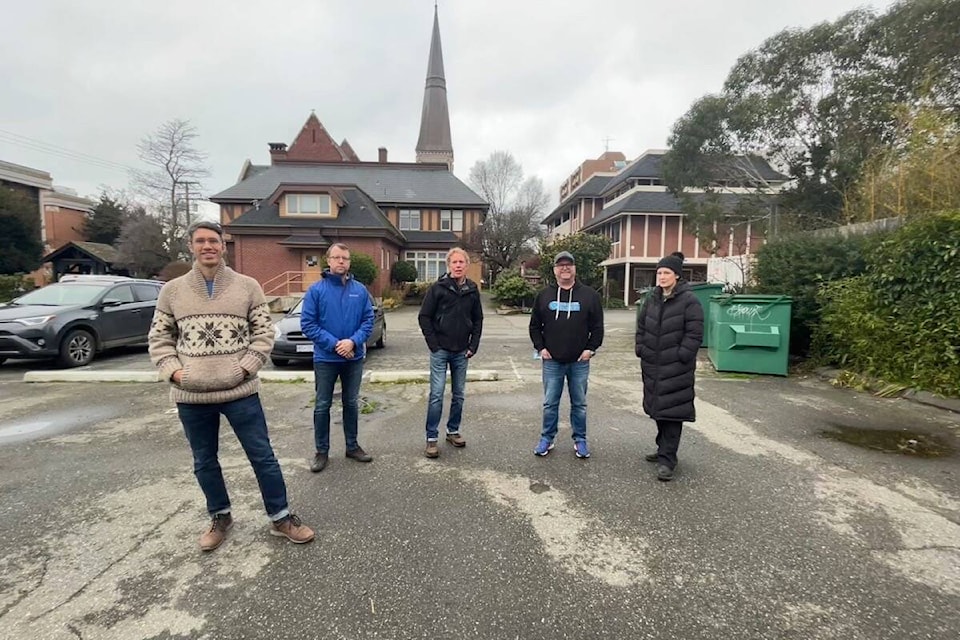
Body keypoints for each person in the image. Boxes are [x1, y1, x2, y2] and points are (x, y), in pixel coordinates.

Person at [148, 220, 314, 551]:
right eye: (201, 241)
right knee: (204, 460)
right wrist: (176, 373)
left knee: (262, 455)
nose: (208, 246)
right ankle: (220, 516)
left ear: (224, 246)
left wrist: (246, 367)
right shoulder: (173, 291)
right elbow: (159, 337)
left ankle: (280, 517)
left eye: (214, 241)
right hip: (191, 395)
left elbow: (265, 332)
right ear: (191, 246)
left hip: (240, 391)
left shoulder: (247, 286)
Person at [300, 243, 375, 472]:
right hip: (326, 359)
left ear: (349, 262)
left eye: (345, 258)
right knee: (322, 405)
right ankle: (321, 451)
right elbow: (308, 324)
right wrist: (335, 344)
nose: (341, 261)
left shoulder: (360, 290)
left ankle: (352, 446)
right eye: (336, 257)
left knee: (351, 403)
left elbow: (368, 321)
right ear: (328, 261)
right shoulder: (316, 290)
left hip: (353, 358)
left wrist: (352, 341)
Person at [634, 252, 704, 481]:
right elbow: (641, 326)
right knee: (658, 410)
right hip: (653, 364)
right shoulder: (652, 298)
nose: (662, 277)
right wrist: (640, 348)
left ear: (676, 276)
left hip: (676, 367)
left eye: (666, 273)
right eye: (659, 273)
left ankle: (668, 460)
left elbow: (695, 333)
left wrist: (682, 355)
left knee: (673, 413)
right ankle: (662, 448)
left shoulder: (689, 300)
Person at [528, 251, 604, 458]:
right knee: (550, 403)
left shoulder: (590, 296)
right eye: (560, 265)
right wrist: (540, 347)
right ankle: (547, 438)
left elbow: (597, 327)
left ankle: (580, 440)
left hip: (579, 361)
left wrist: (591, 349)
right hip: (552, 361)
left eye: (568, 265)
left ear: (574, 269)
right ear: (554, 270)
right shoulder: (543, 296)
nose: (565, 268)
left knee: (579, 404)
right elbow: (534, 326)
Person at [417, 247, 484, 458]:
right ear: (449, 265)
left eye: (461, 262)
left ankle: (453, 431)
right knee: (436, 395)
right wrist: (433, 344)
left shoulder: (472, 290)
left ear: (466, 265)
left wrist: (473, 346)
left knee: (459, 395)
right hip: (440, 350)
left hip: (462, 351)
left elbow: (478, 319)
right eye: (454, 262)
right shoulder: (438, 288)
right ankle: (431, 438)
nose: (457, 266)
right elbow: (424, 317)